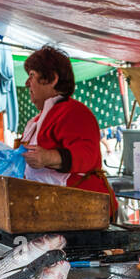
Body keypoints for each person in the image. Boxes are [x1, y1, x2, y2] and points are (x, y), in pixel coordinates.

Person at [18, 46, 117, 217]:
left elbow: (87, 155)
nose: (27, 83)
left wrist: (47, 157)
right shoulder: (36, 120)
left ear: (52, 79)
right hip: (55, 208)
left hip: (86, 210)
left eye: (32, 75)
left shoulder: (74, 112)